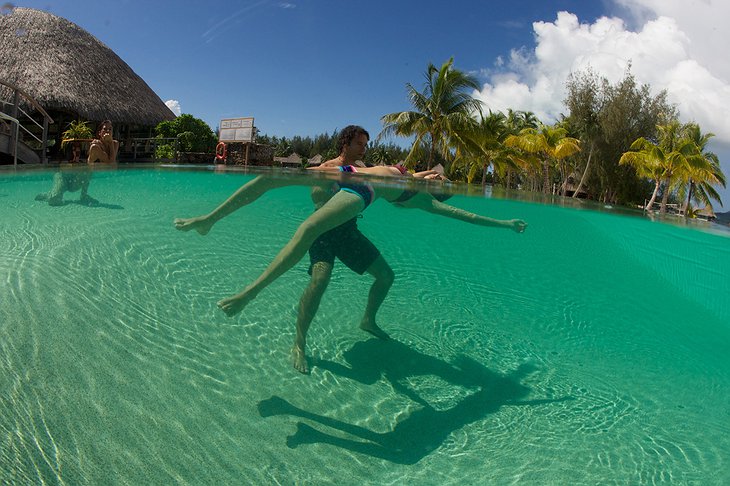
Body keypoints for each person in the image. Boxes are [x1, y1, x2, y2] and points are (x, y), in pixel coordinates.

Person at [35, 120, 117, 206]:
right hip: (64, 177)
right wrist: (111, 143)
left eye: (110, 129)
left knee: (86, 173)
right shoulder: (95, 146)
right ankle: (47, 195)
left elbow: (110, 165)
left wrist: (111, 142)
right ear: (100, 133)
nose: (108, 131)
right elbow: (111, 164)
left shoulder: (115, 144)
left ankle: (83, 196)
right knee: (54, 200)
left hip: (77, 182)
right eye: (105, 129)